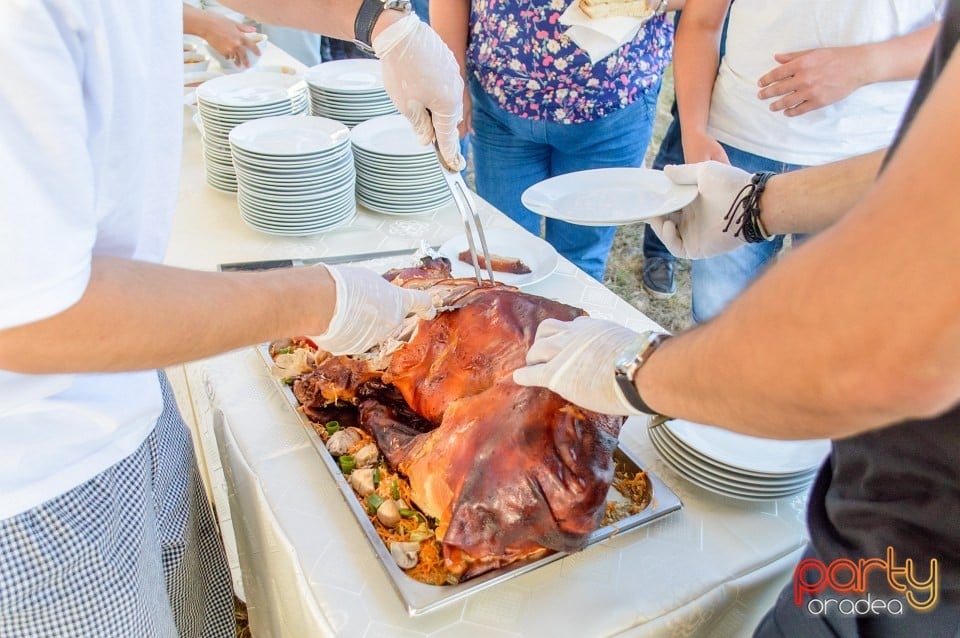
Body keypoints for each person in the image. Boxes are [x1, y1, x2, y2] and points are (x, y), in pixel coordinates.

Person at [0, 0, 462, 633]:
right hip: (32, 483)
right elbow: (32, 320)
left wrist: (380, 23)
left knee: (196, 614)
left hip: (124, 385)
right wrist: (317, 299)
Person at [513, 4, 960, 634]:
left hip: (927, 570)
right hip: (881, 527)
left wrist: (632, 370)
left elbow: (877, 358)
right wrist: (756, 205)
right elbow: (927, 171)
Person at [674, 0, 942, 322]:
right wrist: (693, 131)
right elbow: (701, 21)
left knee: (829, 335)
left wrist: (865, 65)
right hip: (734, 146)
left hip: (861, 164)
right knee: (715, 323)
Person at [431, 0, 683, 282]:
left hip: (613, 108)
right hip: (501, 104)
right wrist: (453, 78)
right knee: (502, 253)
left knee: (578, 266)